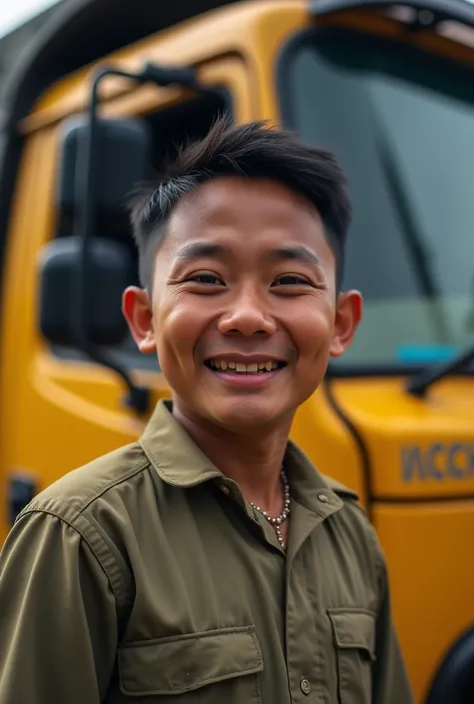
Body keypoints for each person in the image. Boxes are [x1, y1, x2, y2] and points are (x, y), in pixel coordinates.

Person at [0, 116, 413, 704]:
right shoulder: (80, 535)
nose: (247, 316)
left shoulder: (350, 535)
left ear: (341, 323)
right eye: (206, 278)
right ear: (143, 319)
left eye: (290, 280)